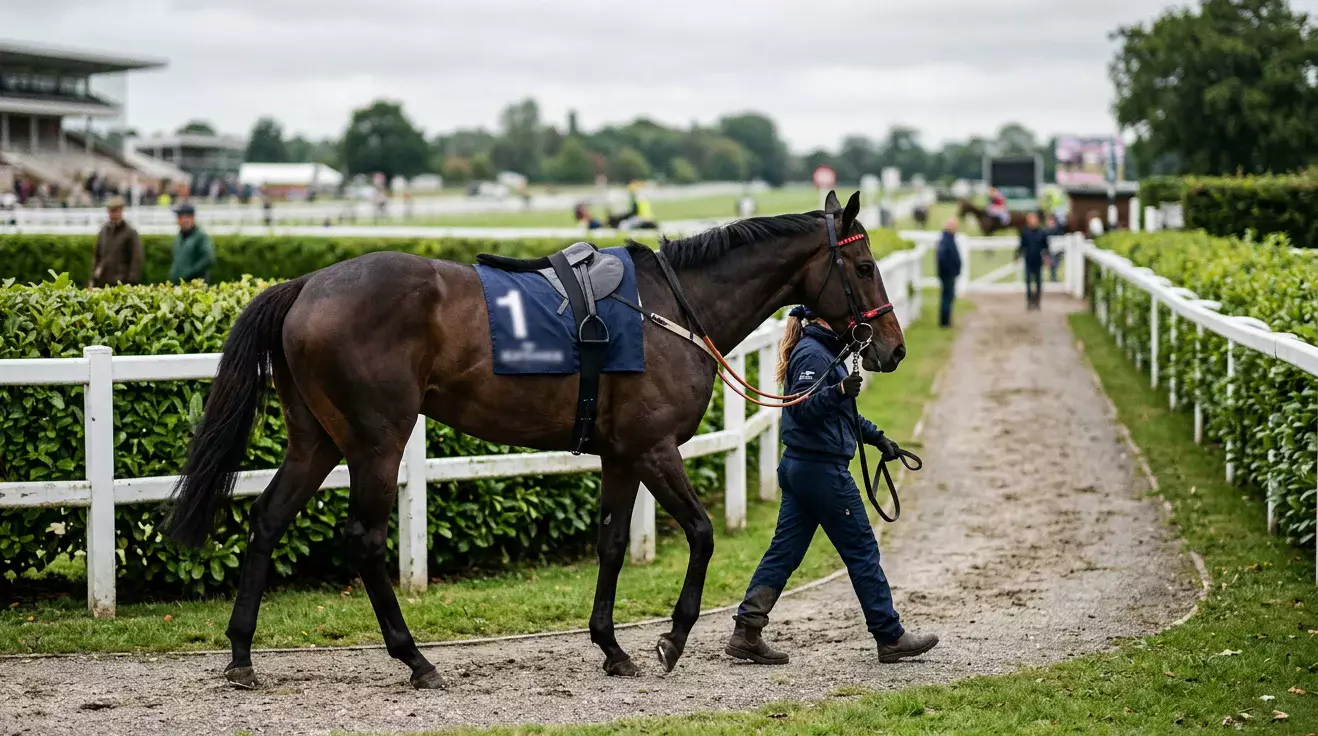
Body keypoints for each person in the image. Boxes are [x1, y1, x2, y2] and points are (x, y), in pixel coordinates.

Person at [726, 306, 939, 666]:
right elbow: (804, 409)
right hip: (821, 471)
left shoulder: (826, 350)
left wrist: (877, 438)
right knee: (862, 550)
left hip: (803, 468)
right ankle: (889, 636)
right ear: (826, 318)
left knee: (784, 552)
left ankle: (747, 630)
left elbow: (842, 415)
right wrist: (840, 389)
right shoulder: (812, 353)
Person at [89, 196, 144, 287]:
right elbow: (97, 257)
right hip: (103, 281)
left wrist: (131, 282)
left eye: (115, 211)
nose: (112, 214)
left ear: (121, 211)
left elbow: (136, 259)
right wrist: (93, 278)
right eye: (110, 211)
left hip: (121, 282)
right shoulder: (104, 230)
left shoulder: (130, 232)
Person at [168, 203, 215, 284]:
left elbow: (208, 258)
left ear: (191, 218)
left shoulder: (200, 236)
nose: (180, 220)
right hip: (178, 284)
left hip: (195, 286)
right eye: (179, 217)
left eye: (182, 217)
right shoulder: (180, 236)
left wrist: (189, 274)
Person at [1017, 212, 1049, 310]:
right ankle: (1029, 301)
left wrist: (1047, 257)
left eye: (1034, 219)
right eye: (1031, 219)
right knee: (1028, 281)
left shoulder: (1042, 232)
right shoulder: (1025, 232)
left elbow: (1046, 246)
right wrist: (1018, 256)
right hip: (1028, 260)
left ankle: (1037, 301)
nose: (1033, 221)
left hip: (1038, 260)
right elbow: (1021, 245)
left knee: (1039, 282)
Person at [935, 218, 962, 328]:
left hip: (949, 273)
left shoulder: (948, 239)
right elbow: (943, 258)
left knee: (948, 297)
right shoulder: (946, 240)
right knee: (947, 297)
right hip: (947, 274)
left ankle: (946, 321)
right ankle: (944, 322)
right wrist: (950, 270)